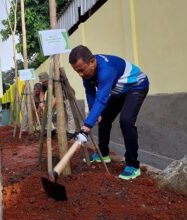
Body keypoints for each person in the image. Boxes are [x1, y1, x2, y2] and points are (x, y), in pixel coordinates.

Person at [70, 45, 149, 180]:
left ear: (92, 62)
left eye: (82, 70)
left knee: (126, 120)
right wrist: (95, 115)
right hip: (118, 91)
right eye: (77, 71)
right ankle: (103, 154)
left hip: (137, 85)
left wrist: (87, 126)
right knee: (104, 119)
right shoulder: (86, 72)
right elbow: (90, 93)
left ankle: (133, 165)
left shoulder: (106, 70)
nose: (81, 74)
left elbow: (101, 99)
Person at [38, 72, 76, 139]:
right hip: (58, 98)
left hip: (68, 96)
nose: (44, 84)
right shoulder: (44, 84)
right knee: (57, 114)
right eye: (43, 82)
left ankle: (71, 133)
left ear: (48, 78)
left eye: (45, 82)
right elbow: (42, 92)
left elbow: (56, 98)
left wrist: (49, 108)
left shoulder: (56, 81)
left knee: (70, 114)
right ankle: (54, 130)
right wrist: (41, 102)